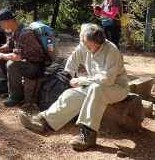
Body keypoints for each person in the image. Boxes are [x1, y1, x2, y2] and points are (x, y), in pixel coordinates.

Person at [19, 24, 129, 152]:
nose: (91, 50)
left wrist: (82, 80)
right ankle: (44, 121)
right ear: (83, 39)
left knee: (96, 89)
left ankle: (87, 135)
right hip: (94, 85)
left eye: (95, 47)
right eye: (88, 46)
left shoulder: (112, 50)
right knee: (70, 94)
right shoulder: (84, 43)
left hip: (116, 88)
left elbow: (107, 80)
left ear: (101, 41)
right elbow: (73, 59)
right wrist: (68, 74)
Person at [0, 9, 49, 107]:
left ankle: (16, 97)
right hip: (28, 61)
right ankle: (5, 85)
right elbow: (10, 45)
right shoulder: (17, 30)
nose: (0, 26)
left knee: (12, 65)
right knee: (5, 59)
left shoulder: (25, 33)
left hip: (37, 65)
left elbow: (16, 57)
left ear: (8, 21)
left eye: (1, 24)